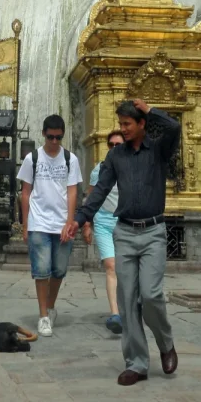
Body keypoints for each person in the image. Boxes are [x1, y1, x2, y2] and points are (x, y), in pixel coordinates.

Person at [62, 99, 179, 386]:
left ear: (142, 124)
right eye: (121, 124)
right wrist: (79, 219)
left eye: (128, 124)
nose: (123, 129)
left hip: (153, 233)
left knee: (150, 295)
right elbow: (100, 191)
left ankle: (165, 344)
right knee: (127, 301)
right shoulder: (116, 158)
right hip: (124, 232)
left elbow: (174, 127)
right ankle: (137, 363)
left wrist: (152, 110)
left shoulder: (158, 151)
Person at [18, 114, 83, 338]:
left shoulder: (70, 159)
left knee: (59, 270)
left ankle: (51, 307)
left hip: (62, 223)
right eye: (51, 137)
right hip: (39, 222)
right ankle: (43, 315)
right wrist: (25, 224)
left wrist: (70, 221)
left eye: (58, 137)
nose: (54, 142)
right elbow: (25, 193)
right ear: (43, 134)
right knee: (42, 270)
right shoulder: (32, 158)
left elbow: (73, 190)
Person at [86, 129, 125, 334]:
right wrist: (86, 224)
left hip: (126, 223)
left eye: (119, 145)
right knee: (111, 265)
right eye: (111, 145)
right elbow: (91, 197)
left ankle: (129, 308)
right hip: (103, 222)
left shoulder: (131, 168)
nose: (115, 148)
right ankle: (115, 313)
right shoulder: (99, 170)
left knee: (127, 269)